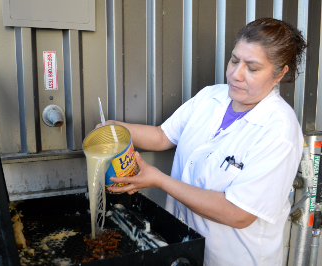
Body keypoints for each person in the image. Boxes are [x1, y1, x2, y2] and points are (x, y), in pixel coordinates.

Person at [97, 18, 307, 265]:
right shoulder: (212, 96)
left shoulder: (279, 130)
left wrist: (159, 180)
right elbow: (163, 136)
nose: (235, 74)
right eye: (234, 60)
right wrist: (115, 129)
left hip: (233, 258)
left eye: (252, 68)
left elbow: (238, 213)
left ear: (279, 73)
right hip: (184, 248)